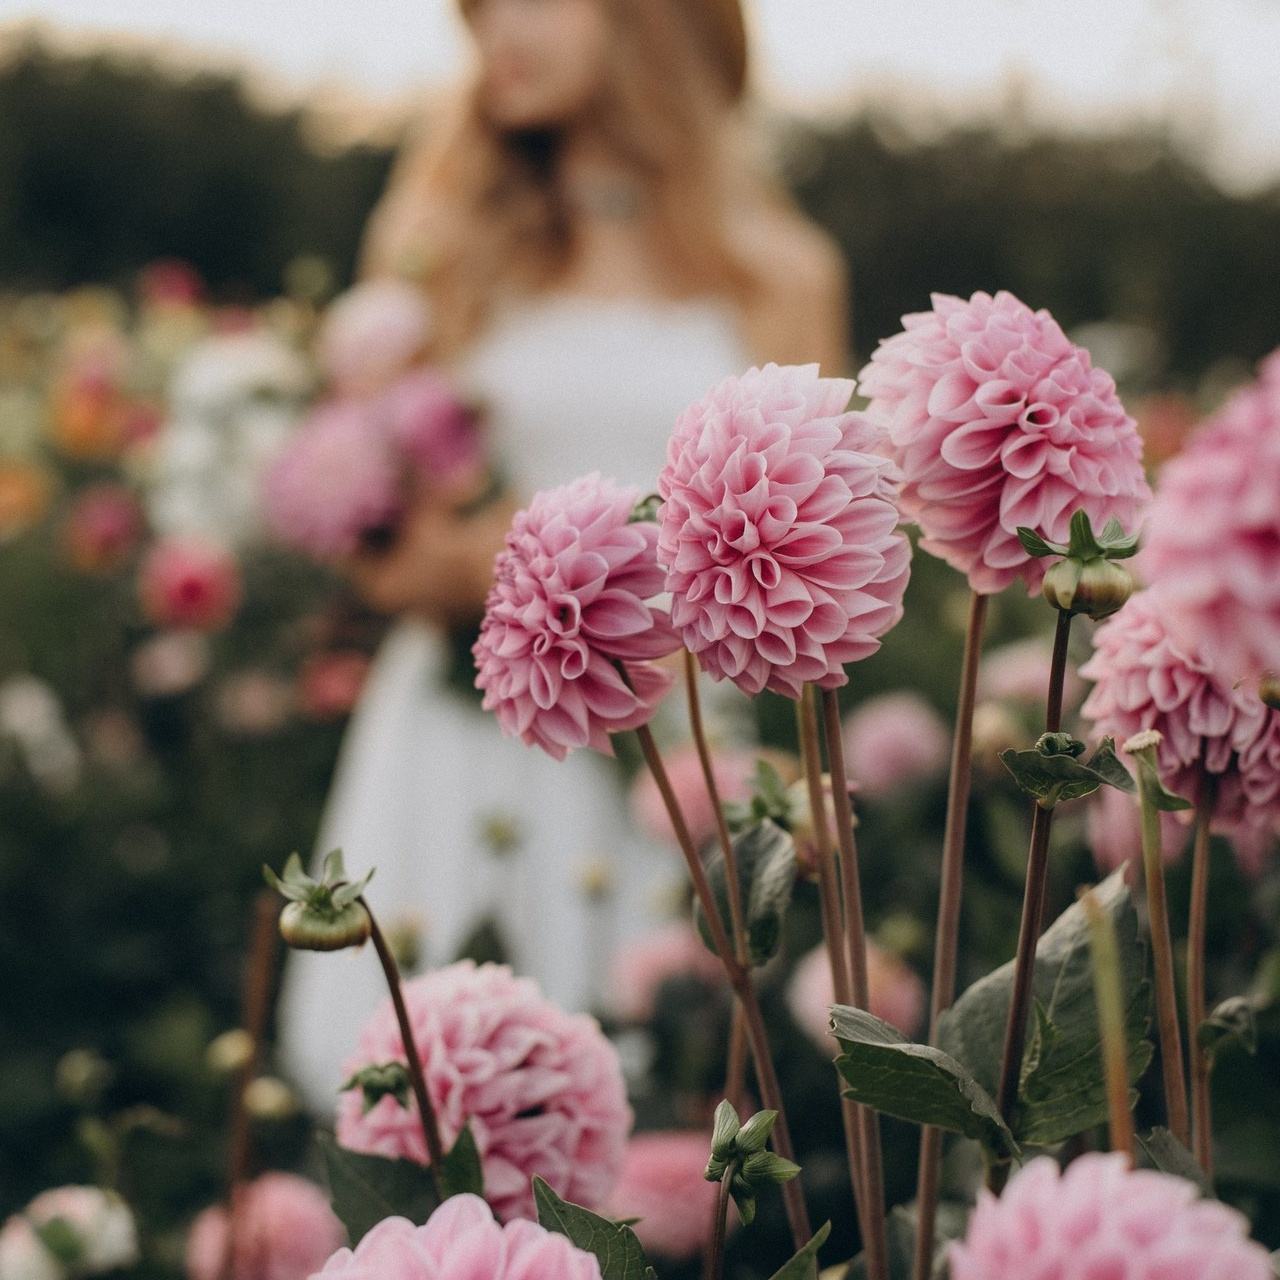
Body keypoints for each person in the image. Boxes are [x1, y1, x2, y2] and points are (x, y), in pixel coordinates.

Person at [277, 0, 848, 1116]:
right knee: (417, 1090)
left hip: (671, 745)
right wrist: (478, 572)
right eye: (479, 13)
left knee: (662, 1092)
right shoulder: (439, 238)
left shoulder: (779, 270)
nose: (499, 34)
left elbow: (813, 553)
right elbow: (374, 536)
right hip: (463, 719)